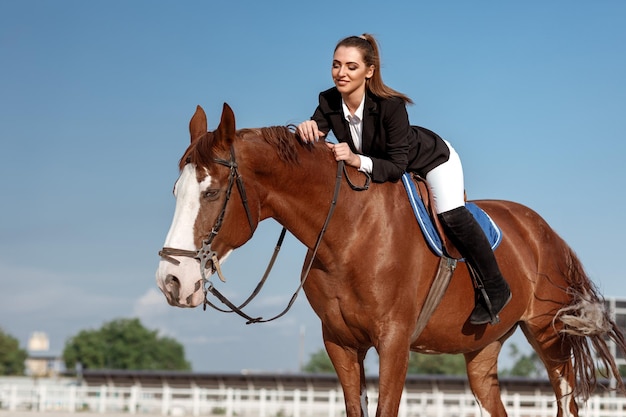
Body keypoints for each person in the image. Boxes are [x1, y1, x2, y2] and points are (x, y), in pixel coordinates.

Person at [296, 33, 511, 325]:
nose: (341, 73)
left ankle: (496, 286)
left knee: (451, 214)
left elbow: (396, 167)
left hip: (432, 160)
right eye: (336, 65)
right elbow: (317, 139)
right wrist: (306, 130)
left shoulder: (391, 105)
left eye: (350, 66)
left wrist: (357, 159)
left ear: (369, 71)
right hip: (382, 166)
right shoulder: (328, 100)